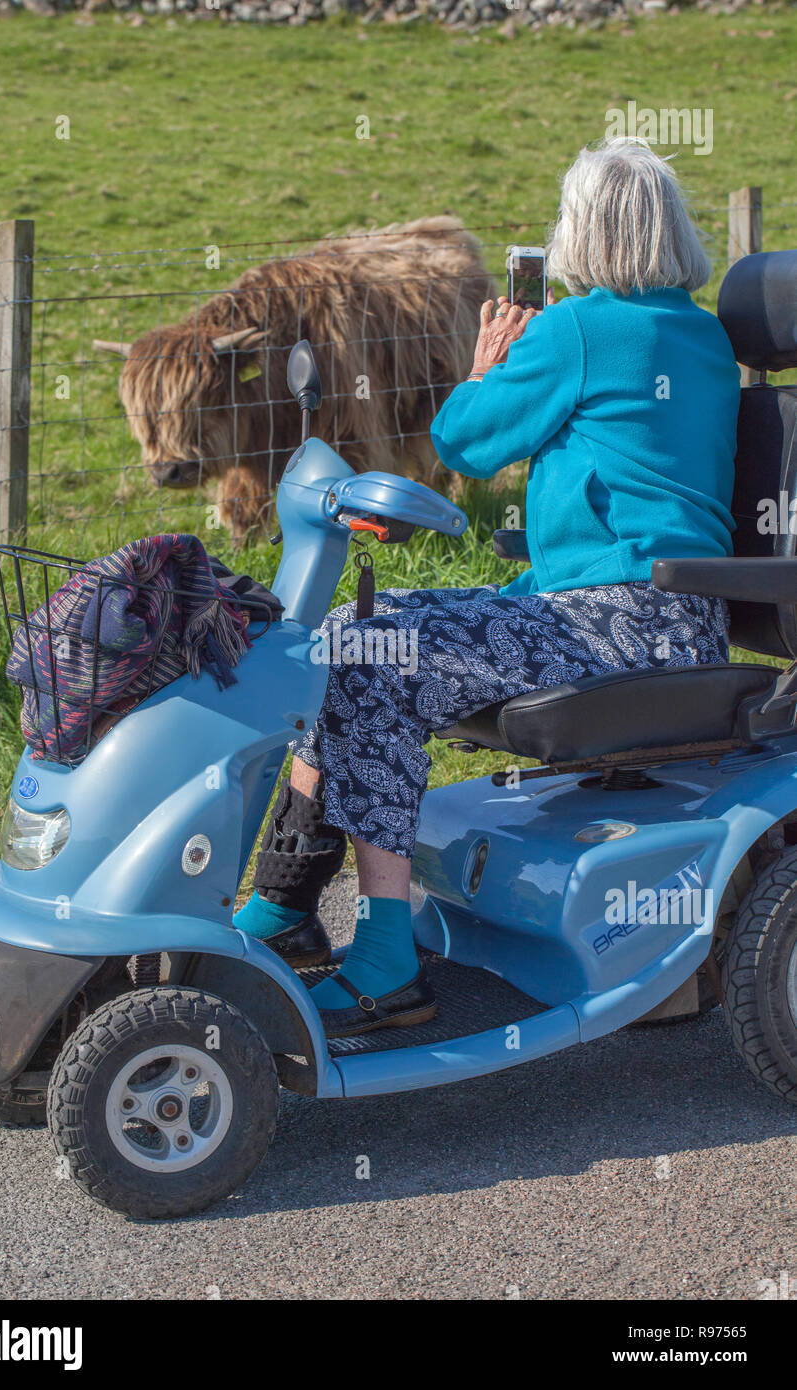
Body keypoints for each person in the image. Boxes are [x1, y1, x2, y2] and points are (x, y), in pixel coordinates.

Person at [234, 136, 741, 1039]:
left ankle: (377, 957)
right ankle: (287, 901)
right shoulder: (701, 334)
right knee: (359, 633)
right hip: (675, 617)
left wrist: (482, 369)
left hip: (612, 622)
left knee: (363, 647)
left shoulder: (581, 329)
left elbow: (465, 445)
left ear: (582, 232)